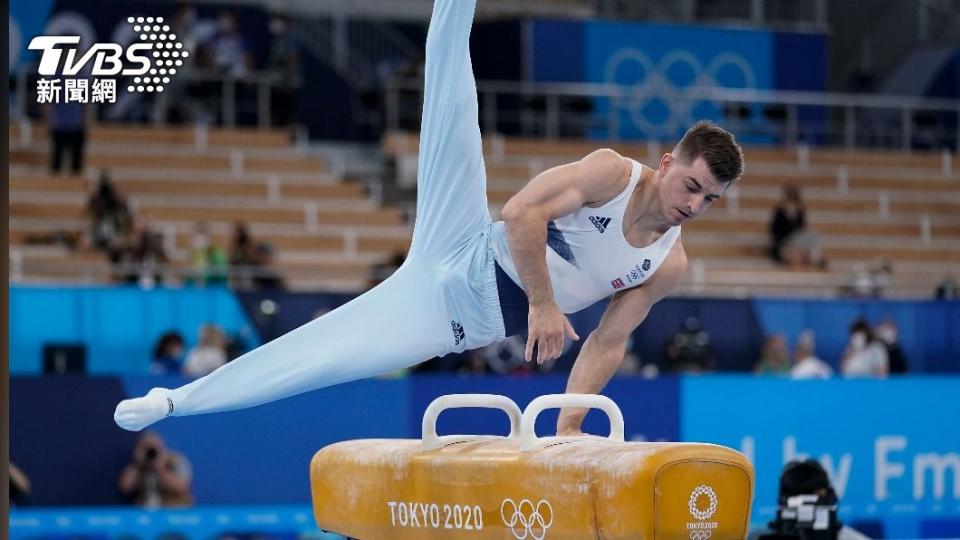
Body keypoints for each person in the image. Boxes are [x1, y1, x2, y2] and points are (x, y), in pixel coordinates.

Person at [114, 0, 744, 433]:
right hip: (465, 236)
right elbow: (522, 213)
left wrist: (569, 423)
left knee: (320, 359)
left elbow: (607, 341)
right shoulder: (611, 173)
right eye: (691, 185)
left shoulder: (667, 265)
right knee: (452, 88)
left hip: (441, 317)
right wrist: (547, 306)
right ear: (668, 161)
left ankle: (175, 402)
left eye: (708, 199)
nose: (693, 205)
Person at [118, 432, 193, 508]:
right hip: (146, 512)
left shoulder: (174, 460)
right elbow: (125, 487)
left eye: (154, 447)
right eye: (146, 447)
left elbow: (181, 487)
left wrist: (160, 468)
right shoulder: (141, 464)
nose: (151, 451)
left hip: (172, 510)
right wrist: (137, 462)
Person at [769, 185, 821, 267]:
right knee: (795, 247)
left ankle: (814, 259)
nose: (792, 204)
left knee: (813, 236)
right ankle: (798, 257)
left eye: (794, 201)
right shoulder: (779, 212)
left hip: (796, 241)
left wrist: (795, 215)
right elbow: (774, 231)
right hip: (784, 242)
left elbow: (802, 229)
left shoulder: (800, 212)